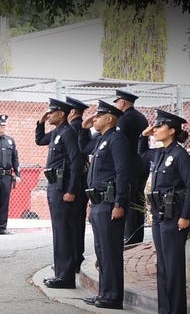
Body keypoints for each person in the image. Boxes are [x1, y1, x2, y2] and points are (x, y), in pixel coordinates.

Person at [139, 109, 190, 314]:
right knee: (163, 267)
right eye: (154, 126)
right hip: (158, 217)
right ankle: (165, 309)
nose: (155, 129)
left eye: (159, 126)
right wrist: (143, 135)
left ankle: (176, 310)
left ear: (172, 130)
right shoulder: (160, 153)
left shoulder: (180, 155)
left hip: (174, 218)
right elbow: (142, 152)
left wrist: (185, 216)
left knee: (173, 268)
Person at [79, 100, 130, 309]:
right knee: (102, 252)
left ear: (109, 118)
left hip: (110, 205)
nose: (94, 119)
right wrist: (84, 129)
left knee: (110, 253)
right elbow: (84, 146)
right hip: (98, 203)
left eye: (98, 116)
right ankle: (104, 292)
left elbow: (122, 173)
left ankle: (113, 297)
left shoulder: (116, 140)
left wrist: (119, 203)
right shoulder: (101, 139)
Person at [35, 98, 84, 289]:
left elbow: (77, 162)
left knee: (64, 232)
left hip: (63, 188)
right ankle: (60, 273)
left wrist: (71, 190)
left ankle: (66, 277)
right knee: (58, 231)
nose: (49, 115)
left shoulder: (68, 133)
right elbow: (39, 140)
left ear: (62, 114)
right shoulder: (57, 132)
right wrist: (40, 122)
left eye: (51, 112)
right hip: (54, 185)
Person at [113, 89, 149, 245]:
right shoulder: (142, 117)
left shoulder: (122, 119)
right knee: (138, 200)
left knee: (128, 199)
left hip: (128, 164)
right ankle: (137, 236)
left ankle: (129, 237)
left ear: (122, 102)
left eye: (117, 103)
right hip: (142, 161)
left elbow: (121, 144)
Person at [65, 96, 91, 274]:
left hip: (76, 181)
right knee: (76, 222)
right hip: (81, 180)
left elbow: (75, 160)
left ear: (72, 112)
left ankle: (74, 259)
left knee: (73, 223)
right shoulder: (79, 127)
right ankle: (75, 257)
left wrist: (71, 188)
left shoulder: (73, 128)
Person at [0, 114, 20, 235]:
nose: (2, 128)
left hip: (6, 176)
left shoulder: (10, 140)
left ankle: (2, 227)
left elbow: (15, 158)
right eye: (0, 125)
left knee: (5, 202)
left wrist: (17, 173)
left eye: (4, 125)